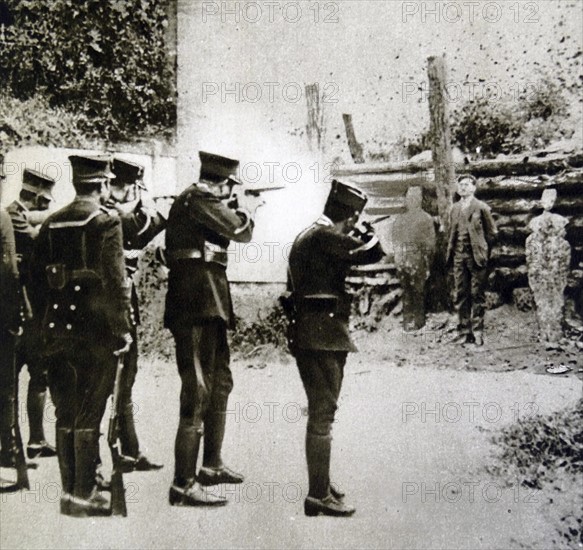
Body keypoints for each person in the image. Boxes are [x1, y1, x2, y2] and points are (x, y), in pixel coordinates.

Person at [29, 154, 132, 517]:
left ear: (76, 183)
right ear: (103, 184)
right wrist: (123, 331)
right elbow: (117, 282)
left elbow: (35, 279)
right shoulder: (106, 222)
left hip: (56, 331)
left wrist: (41, 325)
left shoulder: (52, 222)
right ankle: (85, 493)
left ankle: (69, 493)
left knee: (66, 413)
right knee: (90, 414)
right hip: (95, 333)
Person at [164, 151, 263, 507]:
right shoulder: (199, 197)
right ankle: (183, 483)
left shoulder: (202, 199)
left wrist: (239, 205)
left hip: (210, 302)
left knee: (220, 382)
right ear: (221, 183)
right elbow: (241, 231)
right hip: (195, 304)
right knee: (197, 389)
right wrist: (248, 208)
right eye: (230, 187)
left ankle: (210, 465)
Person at [284, 179, 384, 517]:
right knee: (323, 413)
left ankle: (322, 484)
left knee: (322, 411)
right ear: (350, 217)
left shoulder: (313, 236)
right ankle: (317, 495)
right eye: (356, 218)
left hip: (315, 333)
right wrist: (369, 233)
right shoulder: (324, 237)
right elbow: (374, 253)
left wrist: (360, 232)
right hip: (322, 335)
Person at [107, 157, 166, 471]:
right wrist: (150, 205)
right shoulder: (110, 213)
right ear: (126, 186)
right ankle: (118, 453)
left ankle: (130, 449)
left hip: (122, 301)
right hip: (111, 304)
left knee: (125, 379)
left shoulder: (117, 211)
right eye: (133, 187)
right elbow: (141, 228)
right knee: (112, 380)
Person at [7, 168, 57, 459]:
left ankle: (36, 440)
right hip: (15, 309)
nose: (47, 205)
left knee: (40, 373)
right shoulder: (12, 216)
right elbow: (37, 238)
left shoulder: (22, 215)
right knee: (11, 379)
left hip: (36, 309)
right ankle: (10, 444)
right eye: (45, 201)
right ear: (36, 194)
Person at [446, 175, 498, 346]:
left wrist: (482, 250)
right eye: (460, 185)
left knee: (477, 294)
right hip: (459, 257)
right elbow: (451, 232)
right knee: (460, 293)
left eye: (467, 185)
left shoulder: (481, 208)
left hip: (477, 257)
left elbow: (492, 234)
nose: (463, 188)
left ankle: (477, 332)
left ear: (474, 188)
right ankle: (463, 331)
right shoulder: (454, 209)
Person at [0, 156, 22, 468]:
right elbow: (9, 270)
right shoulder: (1, 217)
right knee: (5, 384)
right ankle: (7, 449)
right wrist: (14, 316)